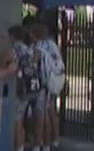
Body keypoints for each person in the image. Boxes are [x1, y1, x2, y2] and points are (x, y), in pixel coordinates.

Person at [29, 22, 65, 151]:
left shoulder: (38, 47)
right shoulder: (52, 45)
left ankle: (39, 143)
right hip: (54, 81)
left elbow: (32, 65)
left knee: (41, 115)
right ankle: (50, 142)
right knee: (51, 112)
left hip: (43, 83)